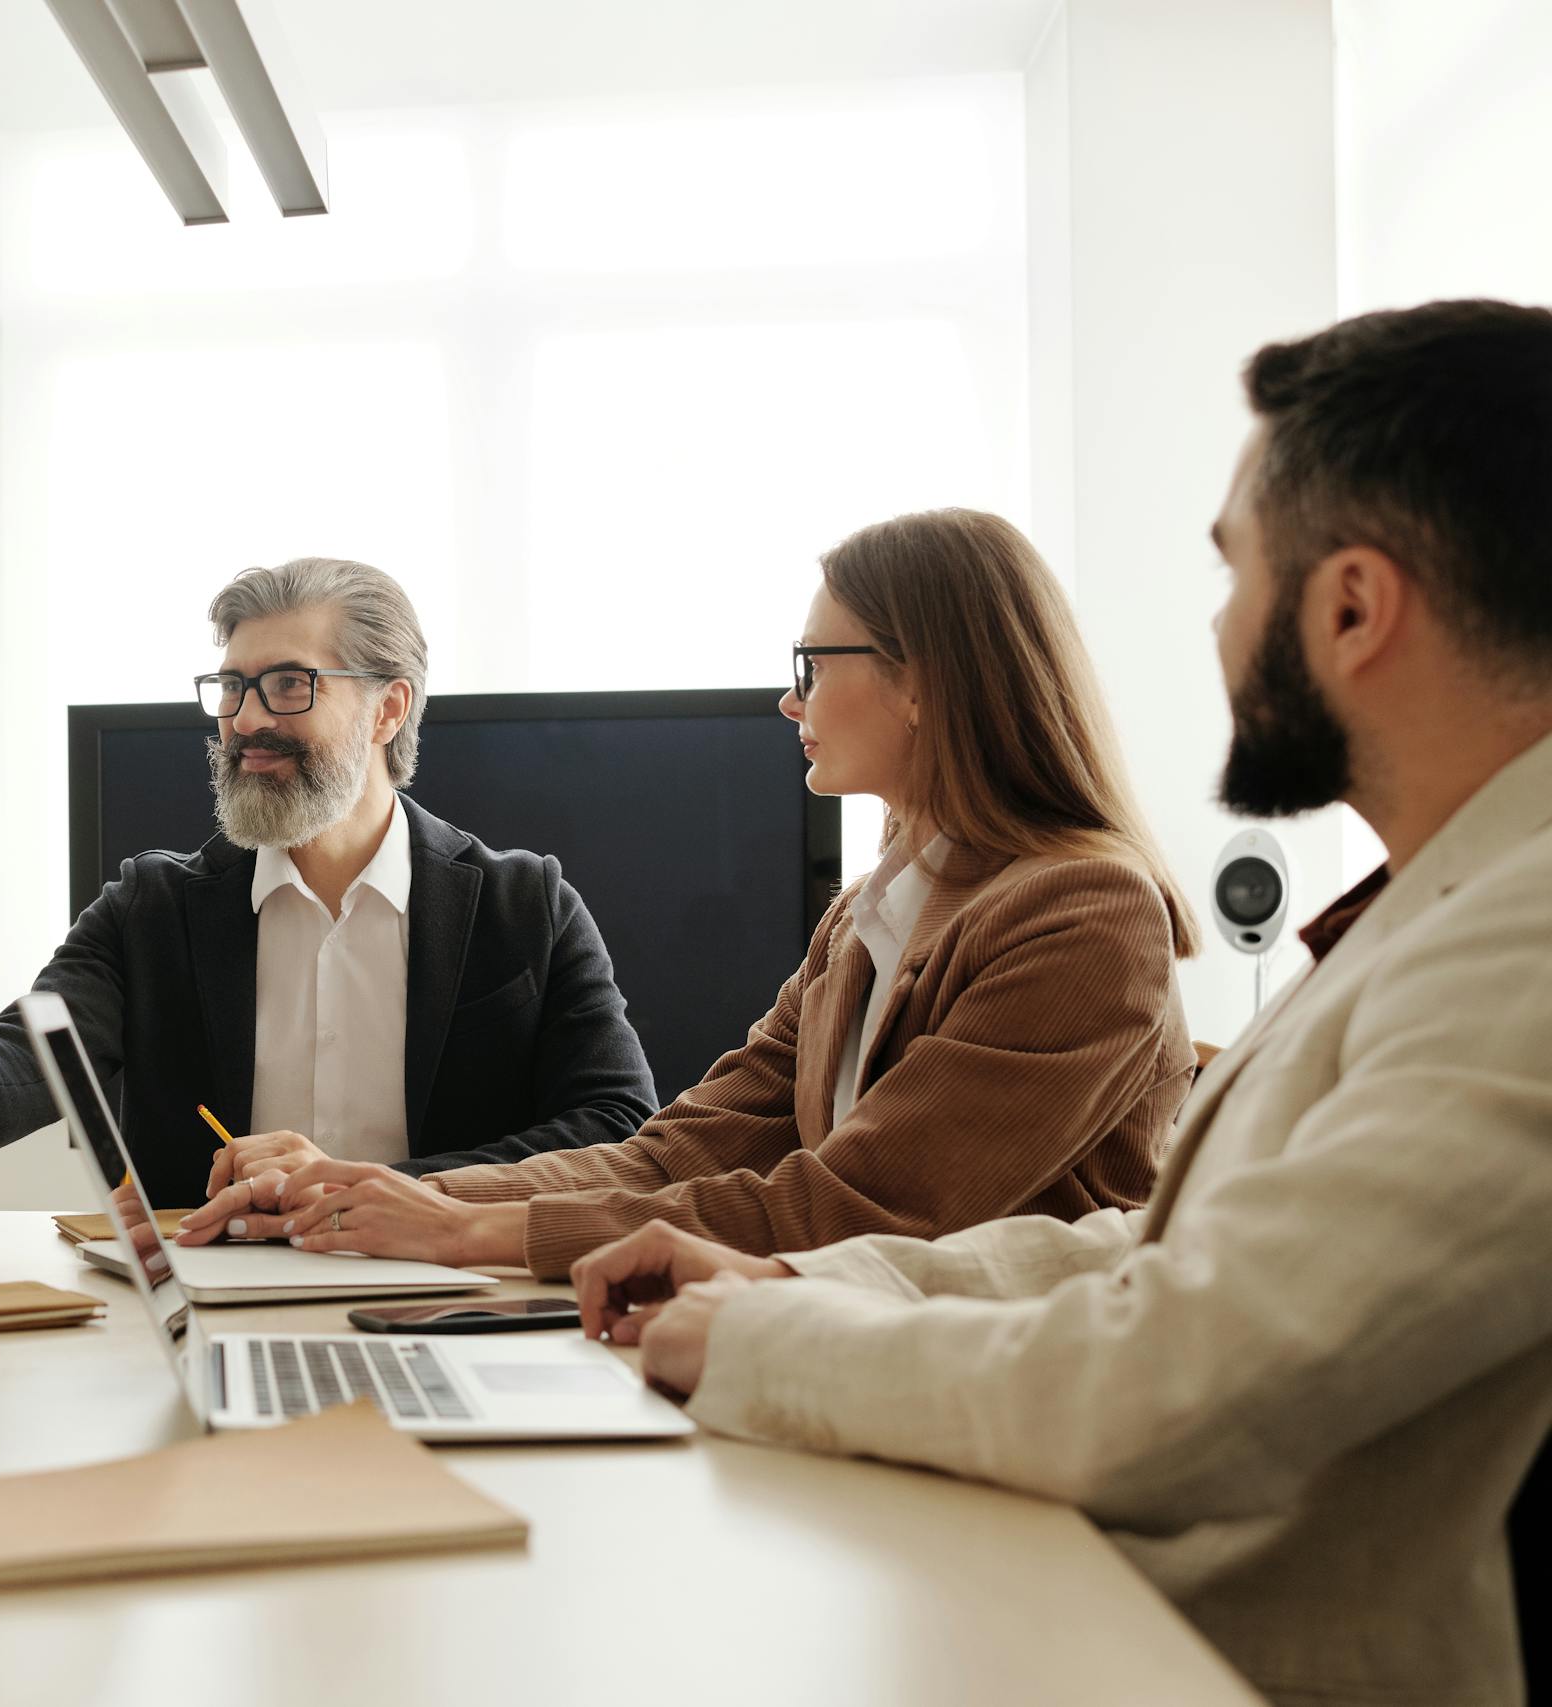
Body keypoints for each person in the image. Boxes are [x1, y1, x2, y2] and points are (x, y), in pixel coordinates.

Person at [571, 300, 1552, 1707]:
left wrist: (777, 1340)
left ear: (1350, 607)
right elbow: (1149, 1249)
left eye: (1235, 574)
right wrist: (801, 1283)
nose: (1217, 627)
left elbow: (1190, 1371)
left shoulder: (1525, 941)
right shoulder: (1442, 901)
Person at [182, 510, 1199, 1276]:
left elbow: (863, 1206)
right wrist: (385, 1197)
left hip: (991, 1422)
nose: (788, 697)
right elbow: (672, 1153)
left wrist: (476, 1230)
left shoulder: (1085, 916)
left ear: (923, 680)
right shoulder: (864, 920)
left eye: (812, 661)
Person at [0, 558, 657, 1209]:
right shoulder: (151, 909)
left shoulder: (528, 908)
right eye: (231, 687)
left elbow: (617, 1128)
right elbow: (30, 1053)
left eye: (288, 684)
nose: (247, 718)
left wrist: (377, 1188)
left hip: (446, 1290)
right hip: (215, 1296)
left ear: (388, 708)